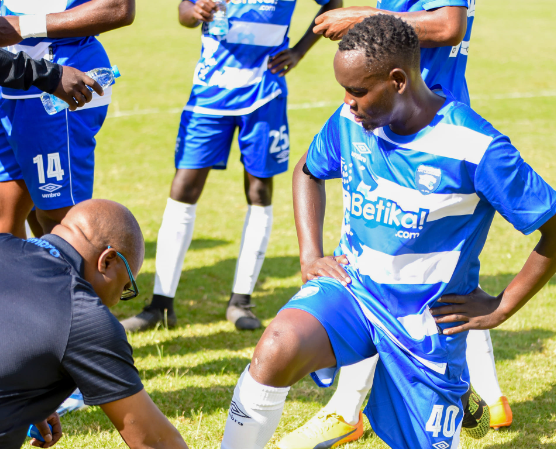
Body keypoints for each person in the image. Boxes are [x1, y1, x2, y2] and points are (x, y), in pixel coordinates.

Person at [219, 15, 556, 449]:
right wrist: (310, 255)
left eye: (357, 91)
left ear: (397, 80)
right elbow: (307, 170)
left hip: (425, 322)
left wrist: (503, 306)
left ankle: (455, 391)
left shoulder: (475, 147)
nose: (347, 103)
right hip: (353, 291)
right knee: (275, 346)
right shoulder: (350, 121)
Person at [278, 2, 512, 446]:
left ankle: (441, 393)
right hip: (388, 113)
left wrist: (363, 20)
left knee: (423, 267)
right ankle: (468, 394)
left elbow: (448, 25)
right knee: (385, 262)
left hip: (426, 121)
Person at [121, 0, 342, 333]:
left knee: (258, 190)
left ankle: (241, 300)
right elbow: (184, 11)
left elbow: (333, 4)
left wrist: (298, 51)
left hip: (264, 95)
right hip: (209, 93)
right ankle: (160, 305)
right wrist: (194, 13)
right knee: (184, 187)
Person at [0, 199, 189, 449]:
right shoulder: (83, 315)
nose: (116, 303)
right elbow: (157, 442)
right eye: (124, 287)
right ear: (107, 261)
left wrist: (23, 391)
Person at [0, 0, 135, 241]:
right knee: (6, 218)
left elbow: (119, 7)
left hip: (57, 84)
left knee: (59, 219)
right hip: (9, 79)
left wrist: (24, 25)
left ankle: (76, 279)